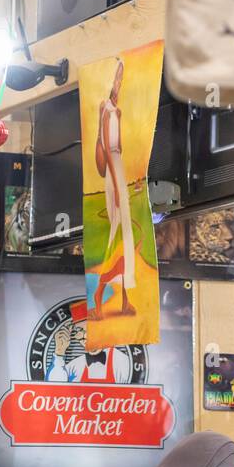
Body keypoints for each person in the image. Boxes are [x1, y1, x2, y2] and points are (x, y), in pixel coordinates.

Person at [92, 57, 136, 320]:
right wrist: (118, 187)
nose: (119, 82)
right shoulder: (107, 109)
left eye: (121, 77)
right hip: (113, 166)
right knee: (118, 236)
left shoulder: (114, 110)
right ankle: (99, 296)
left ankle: (123, 300)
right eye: (117, 77)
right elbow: (108, 148)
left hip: (118, 165)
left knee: (126, 236)